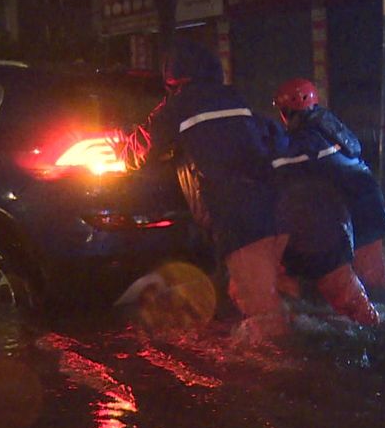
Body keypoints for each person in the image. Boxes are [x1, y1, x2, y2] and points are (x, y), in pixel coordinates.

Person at [117, 39, 290, 341]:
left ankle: (285, 371)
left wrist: (119, 146)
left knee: (262, 310)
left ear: (173, 75)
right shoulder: (234, 97)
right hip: (269, 206)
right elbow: (274, 135)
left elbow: (140, 149)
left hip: (232, 214)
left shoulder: (180, 105)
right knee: (250, 292)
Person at [265, 77, 385, 327]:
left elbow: (281, 174)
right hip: (368, 199)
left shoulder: (301, 139)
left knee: (352, 295)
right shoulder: (330, 128)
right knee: (376, 280)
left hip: (350, 204)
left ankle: (375, 329)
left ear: (284, 111)